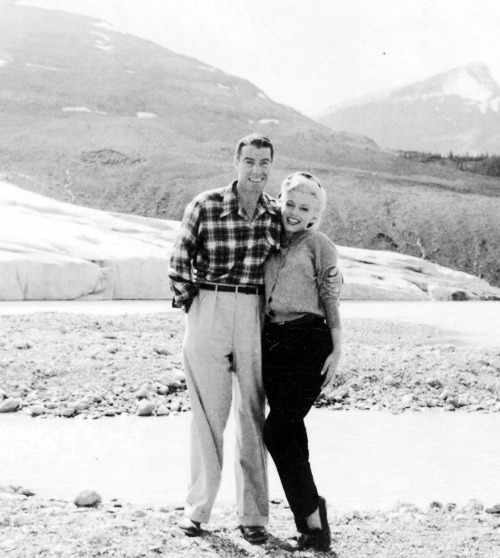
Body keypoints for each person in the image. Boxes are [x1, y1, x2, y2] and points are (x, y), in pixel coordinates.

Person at [168, 133, 281, 544]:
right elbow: (180, 260)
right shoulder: (206, 204)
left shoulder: (275, 215)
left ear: (272, 165)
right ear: (236, 162)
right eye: (249, 161)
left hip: (254, 313)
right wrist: (195, 309)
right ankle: (197, 510)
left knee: (252, 416)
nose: (257, 170)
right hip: (209, 308)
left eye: (264, 162)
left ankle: (254, 517)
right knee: (207, 416)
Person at [262, 171, 343, 552]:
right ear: (280, 201)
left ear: (314, 215)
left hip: (310, 341)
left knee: (276, 431)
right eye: (289, 203)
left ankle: (312, 517)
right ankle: (310, 524)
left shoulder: (318, 243)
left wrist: (337, 347)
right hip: (273, 343)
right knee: (291, 431)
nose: (294, 212)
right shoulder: (269, 242)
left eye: (304, 208)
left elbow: (330, 294)